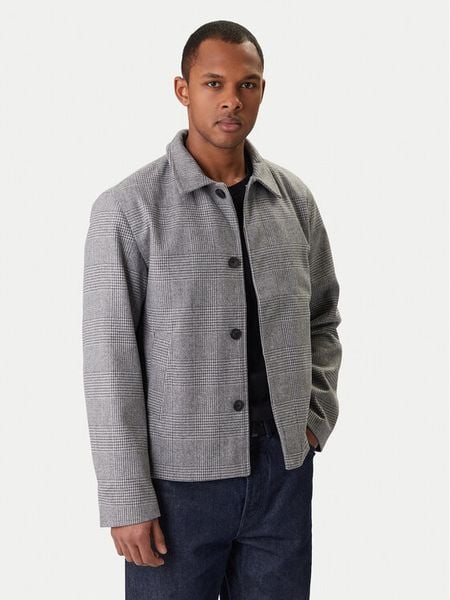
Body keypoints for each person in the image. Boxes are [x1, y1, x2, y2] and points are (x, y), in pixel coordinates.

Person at [82, 19, 342, 600]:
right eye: (214, 83)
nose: (232, 100)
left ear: (262, 91)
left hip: (282, 474)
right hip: (176, 486)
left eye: (247, 85)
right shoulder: (128, 210)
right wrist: (126, 497)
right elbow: (109, 361)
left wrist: (314, 417)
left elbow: (322, 317)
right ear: (183, 90)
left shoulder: (294, 202)